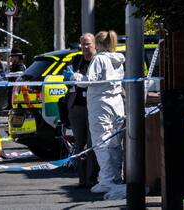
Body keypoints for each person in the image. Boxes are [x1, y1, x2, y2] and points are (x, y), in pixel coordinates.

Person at [68, 30, 126, 196]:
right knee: (115, 143)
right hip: (116, 104)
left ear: (98, 44)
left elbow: (87, 82)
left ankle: (107, 180)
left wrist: (75, 76)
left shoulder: (99, 59)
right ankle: (116, 177)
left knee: (101, 143)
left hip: (101, 105)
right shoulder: (117, 60)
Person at [63, 33, 99, 189]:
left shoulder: (98, 61)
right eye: (82, 44)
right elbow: (69, 82)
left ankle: (93, 178)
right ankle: (82, 179)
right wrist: (68, 79)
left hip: (93, 106)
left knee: (92, 144)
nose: (84, 47)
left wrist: (79, 79)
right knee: (79, 144)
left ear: (95, 45)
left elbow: (93, 82)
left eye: (88, 44)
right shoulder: (75, 60)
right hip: (76, 106)